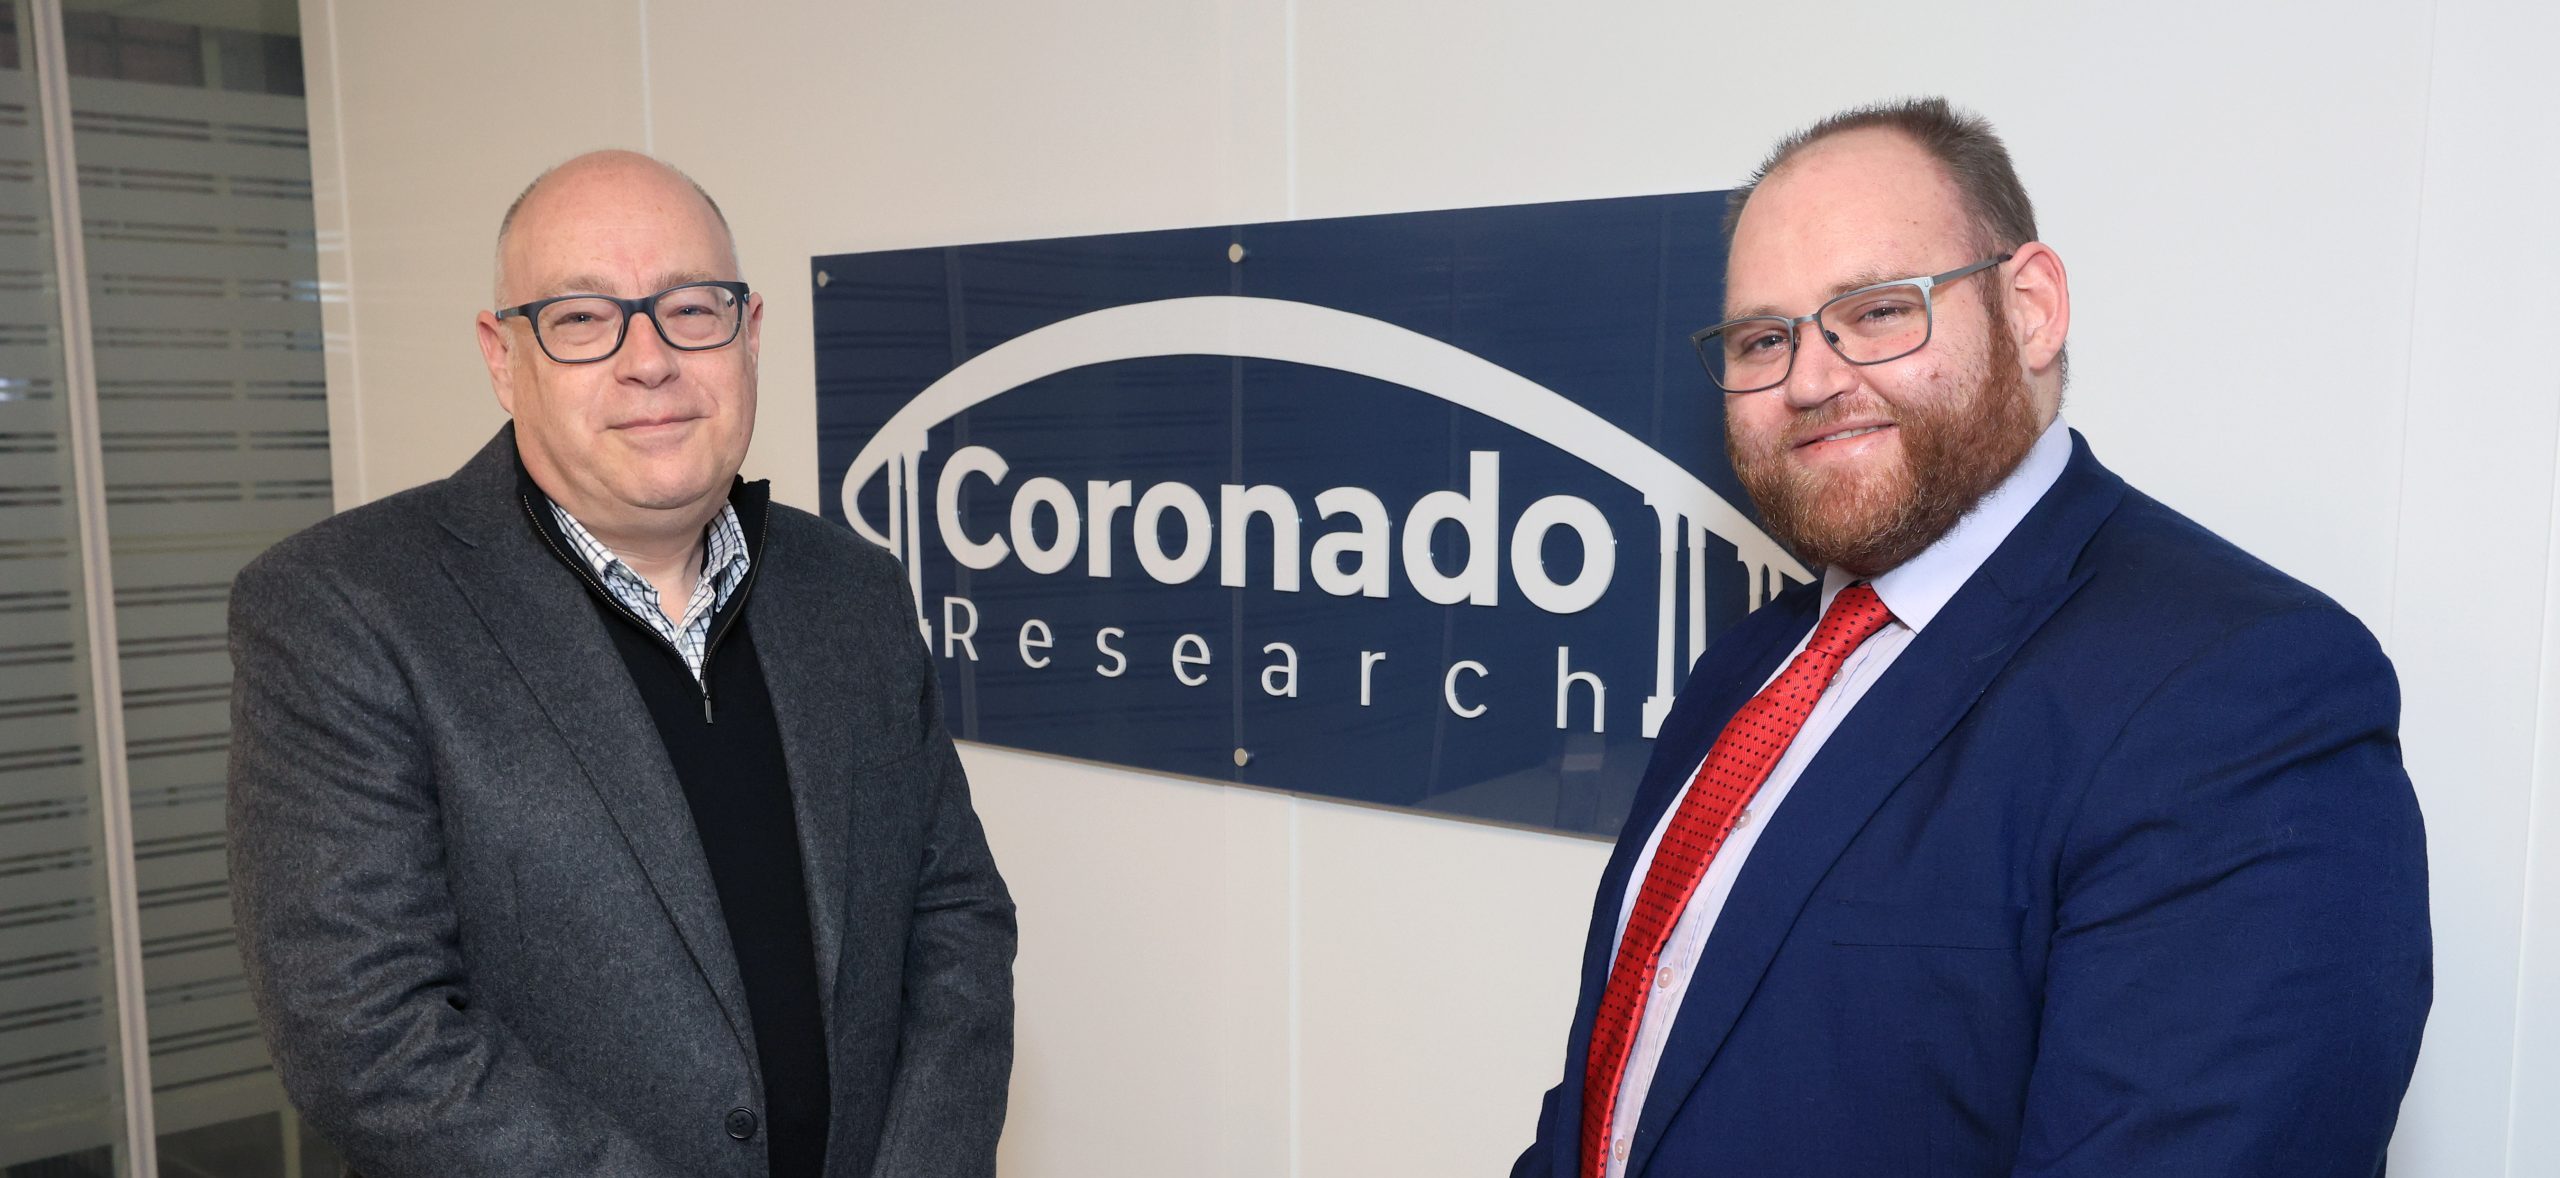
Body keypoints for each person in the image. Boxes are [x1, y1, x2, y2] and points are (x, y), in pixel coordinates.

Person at [1514, 99, 2430, 1177]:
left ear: (2031, 307)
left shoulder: (2242, 694)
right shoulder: (1749, 665)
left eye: (1876, 310)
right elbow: (1613, 1102)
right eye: (1765, 338)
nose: (1809, 380)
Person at [227, 150, 1015, 1178]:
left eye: (692, 308)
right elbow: (367, 1033)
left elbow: (955, 914)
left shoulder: (854, 590)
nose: (650, 359)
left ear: (750, 332)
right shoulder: (345, 607)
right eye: (583, 317)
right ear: (502, 357)